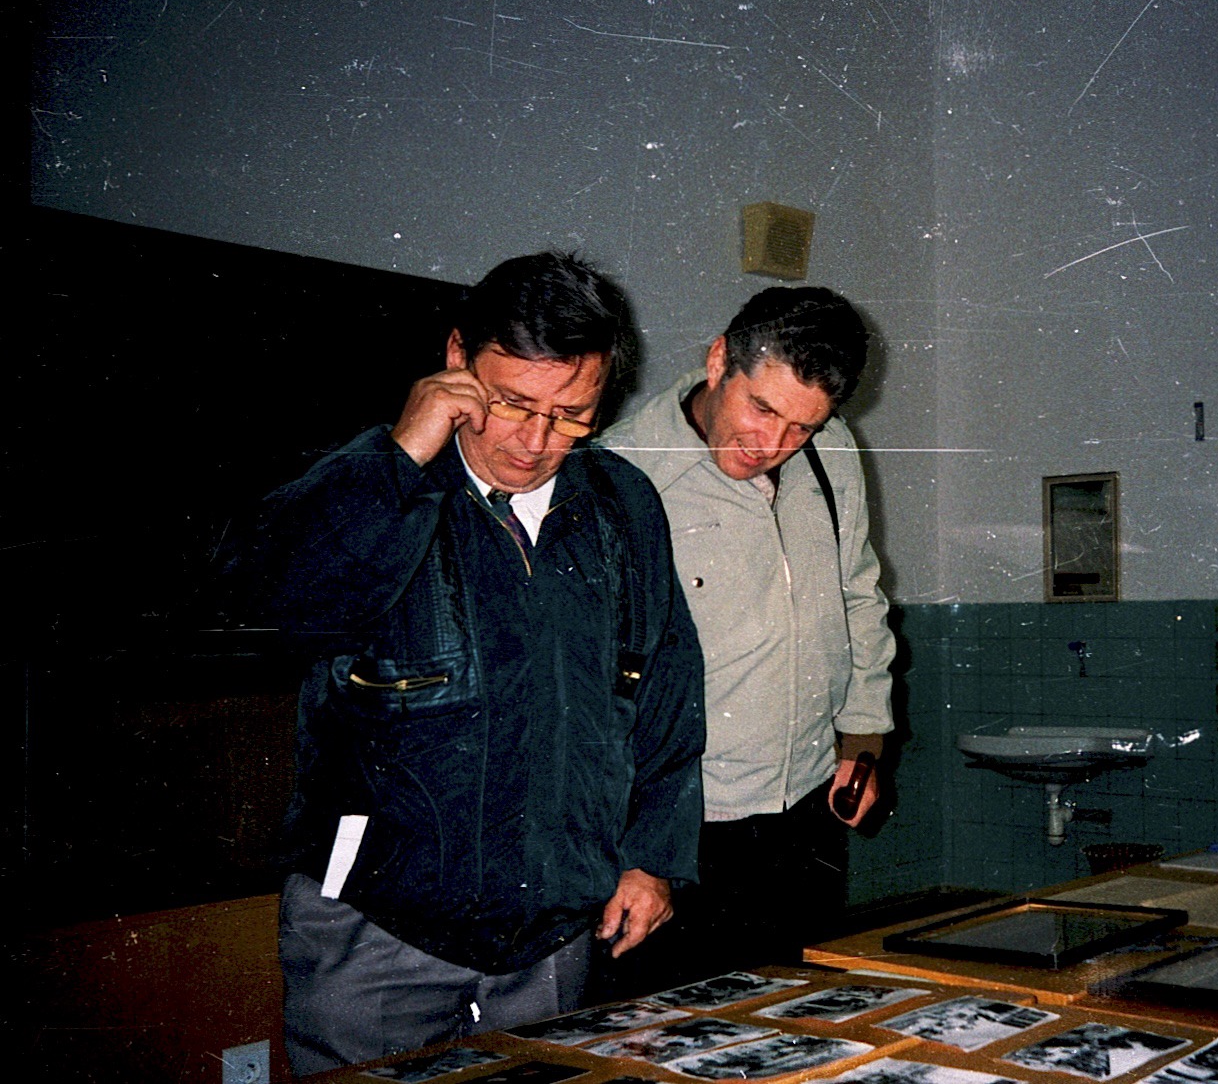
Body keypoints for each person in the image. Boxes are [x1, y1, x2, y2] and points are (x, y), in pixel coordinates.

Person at [233, 250, 705, 1074]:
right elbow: (267, 600)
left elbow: (665, 690)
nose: (534, 440)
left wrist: (653, 855)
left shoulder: (623, 506)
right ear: (457, 360)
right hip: (377, 931)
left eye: (571, 415)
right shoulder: (380, 484)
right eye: (512, 403)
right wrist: (397, 462)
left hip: (556, 933)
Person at [599, 285, 896, 979]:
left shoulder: (832, 451)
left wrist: (863, 740)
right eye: (760, 408)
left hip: (808, 812)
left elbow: (858, 595)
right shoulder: (622, 477)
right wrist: (636, 852)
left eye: (802, 427)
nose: (772, 446)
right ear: (718, 361)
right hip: (682, 833)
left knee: (801, 1029)